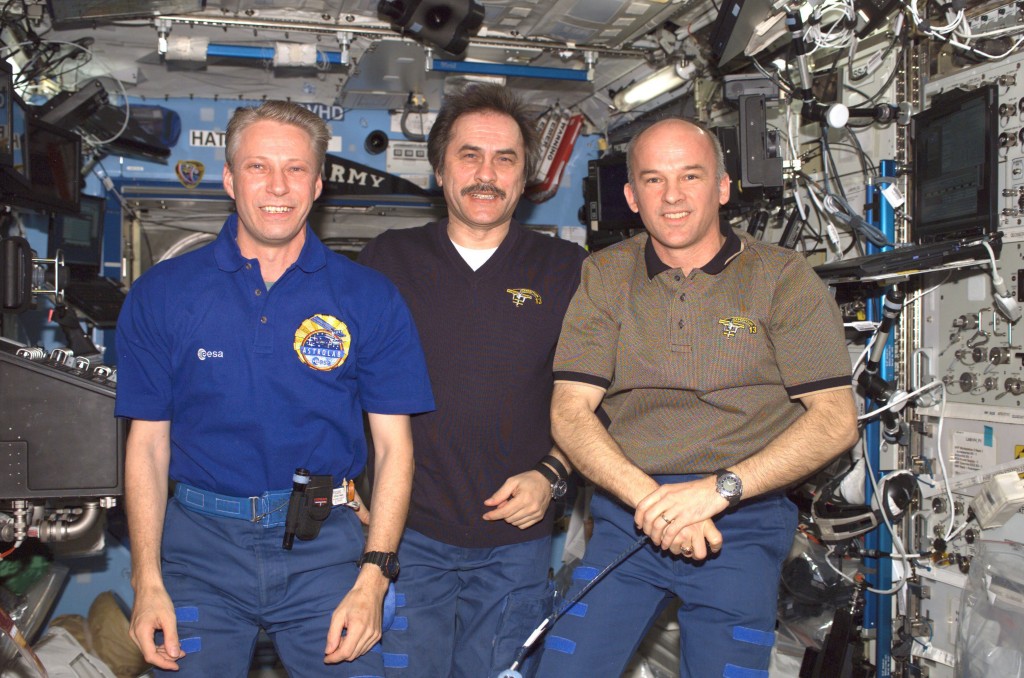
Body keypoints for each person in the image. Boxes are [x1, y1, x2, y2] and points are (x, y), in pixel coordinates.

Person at [114, 100, 434, 676]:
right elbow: (147, 445)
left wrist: (374, 575)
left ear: (317, 184)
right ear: (230, 179)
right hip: (198, 551)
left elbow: (394, 449)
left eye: (295, 169)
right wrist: (147, 581)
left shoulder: (369, 298)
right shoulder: (162, 294)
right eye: (259, 167)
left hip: (326, 550)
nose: (277, 186)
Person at [536, 118, 859, 677]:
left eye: (691, 175)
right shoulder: (606, 276)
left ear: (724, 186)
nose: (674, 196)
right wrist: (653, 501)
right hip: (628, 514)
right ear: (632, 196)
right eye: (655, 180)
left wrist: (715, 492)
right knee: (566, 667)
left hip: (743, 516)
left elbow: (834, 421)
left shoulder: (782, 278)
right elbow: (570, 410)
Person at [358, 83, 588, 677]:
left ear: (525, 177)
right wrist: (350, 482)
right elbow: (338, 382)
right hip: (406, 533)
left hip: (517, 539)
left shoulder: (569, 271)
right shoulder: (387, 260)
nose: (486, 174)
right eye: (469, 155)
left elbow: (601, 396)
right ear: (439, 170)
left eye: (505, 158)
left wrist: (553, 474)